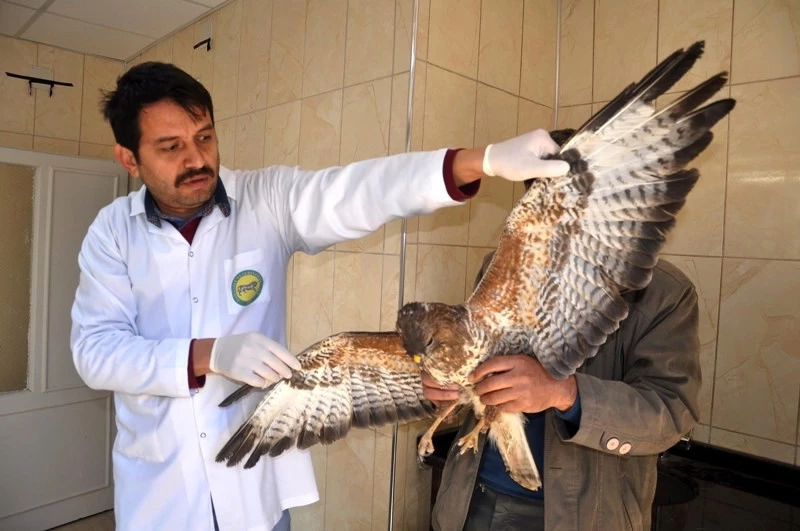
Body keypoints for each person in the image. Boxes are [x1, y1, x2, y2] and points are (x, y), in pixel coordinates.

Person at [69, 61, 570, 531]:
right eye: (170, 146)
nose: (197, 158)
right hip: (162, 492)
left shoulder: (266, 201)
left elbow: (356, 191)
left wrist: (477, 162)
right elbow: (95, 353)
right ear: (129, 159)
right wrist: (209, 354)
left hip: (255, 494)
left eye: (204, 136)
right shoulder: (112, 234)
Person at [424, 145, 702, 530]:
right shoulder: (497, 269)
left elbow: (672, 413)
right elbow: (475, 369)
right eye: (540, 205)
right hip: (470, 501)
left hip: (578, 516)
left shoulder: (663, 293)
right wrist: (445, 385)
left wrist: (564, 393)